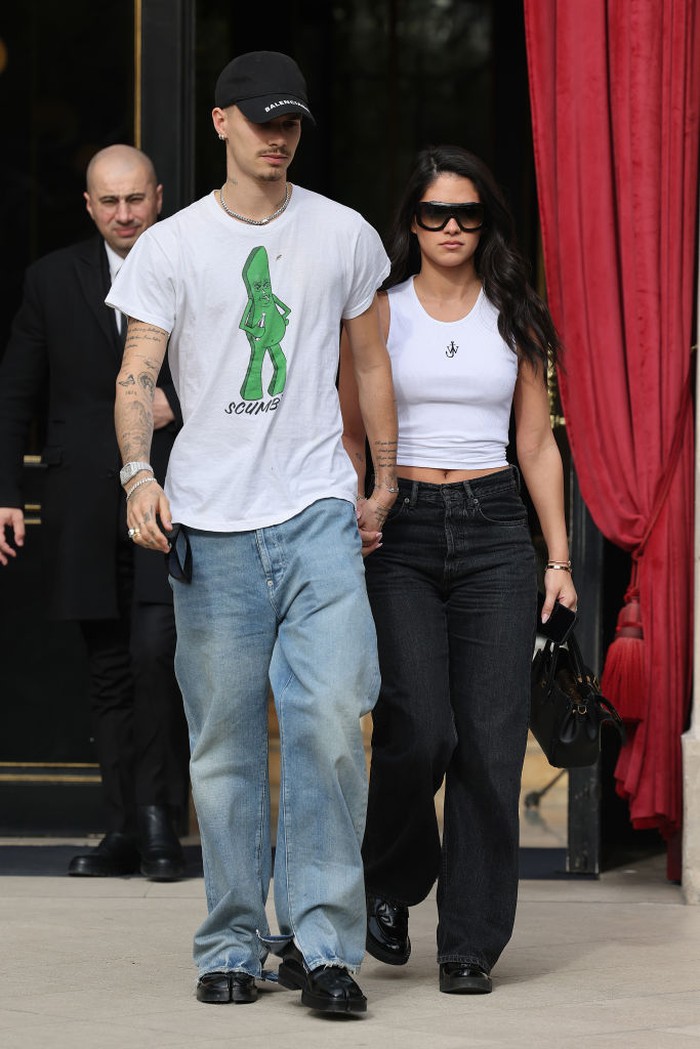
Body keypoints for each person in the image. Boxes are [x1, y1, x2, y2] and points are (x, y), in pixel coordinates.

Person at [107, 51, 397, 1014]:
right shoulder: (172, 245)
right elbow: (136, 375)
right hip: (213, 524)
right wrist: (139, 474)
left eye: (293, 123)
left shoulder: (345, 234)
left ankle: (322, 945)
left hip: (317, 509)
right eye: (262, 120)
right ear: (222, 122)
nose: (279, 137)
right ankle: (232, 937)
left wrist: (381, 481)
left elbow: (369, 366)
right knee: (224, 743)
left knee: (328, 723)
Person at [339, 145, 577, 994]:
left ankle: (471, 940)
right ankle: (395, 881)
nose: (450, 228)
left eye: (467, 215)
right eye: (434, 213)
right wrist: (353, 514)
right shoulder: (377, 310)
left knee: (487, 739)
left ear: (487, 224)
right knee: (420, 725)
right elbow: (350, 436)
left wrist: (558, 556)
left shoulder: (517, 314)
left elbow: (538, 443)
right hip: (398, 532)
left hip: (494, 535)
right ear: (410, 220)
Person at [0, 145, 189, 881]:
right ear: (88, 205)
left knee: (156, 656)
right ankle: (122, 828)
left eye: (135, 199)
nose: (123, 214)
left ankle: (159, 820)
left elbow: (248, 367)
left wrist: (187, 402)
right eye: (108, 201)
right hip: (81, 499)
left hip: (170, 491)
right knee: (108, 669)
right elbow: (16, 389)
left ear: (158, 197)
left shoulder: (189, 268)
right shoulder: (50, 280)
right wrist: (7, 493)